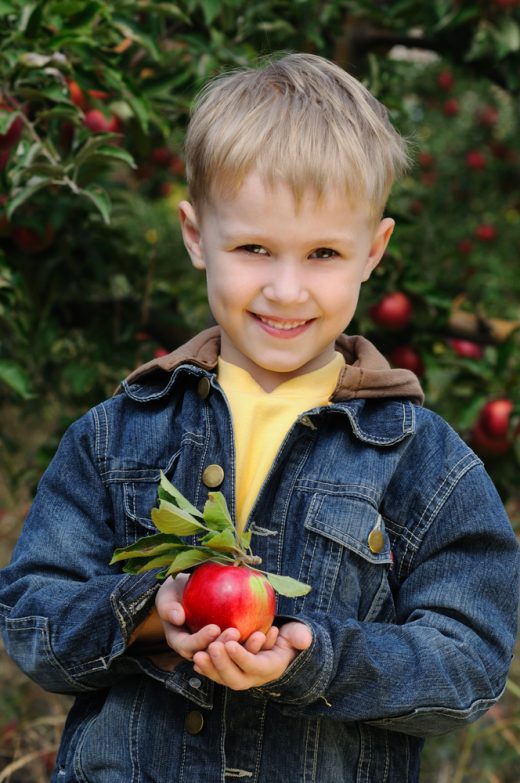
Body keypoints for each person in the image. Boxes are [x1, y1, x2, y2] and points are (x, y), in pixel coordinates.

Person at [0, 53, 518, 783]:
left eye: (324, 254)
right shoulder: (118, 433)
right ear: (194, 235)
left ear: (373, 251)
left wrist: (314, 655)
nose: (285, 288)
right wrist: (150, 612)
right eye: (252, 248)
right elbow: (29, 614)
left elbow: (470, 661)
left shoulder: (422, 462)